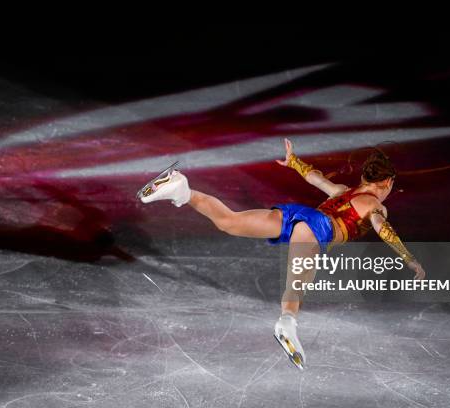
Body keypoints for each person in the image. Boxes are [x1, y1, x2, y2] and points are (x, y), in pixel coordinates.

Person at [138, 138, 426, 369]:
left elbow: (315, 178)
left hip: (298, 215)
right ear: (387, 183)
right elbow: (383, 228)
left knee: (230, 222)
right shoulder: (376, 205)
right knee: (297, 283)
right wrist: (409, 258)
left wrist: (294, 162)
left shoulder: (342, 191)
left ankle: (182, 189)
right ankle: (287, 323)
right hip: (317, 227)